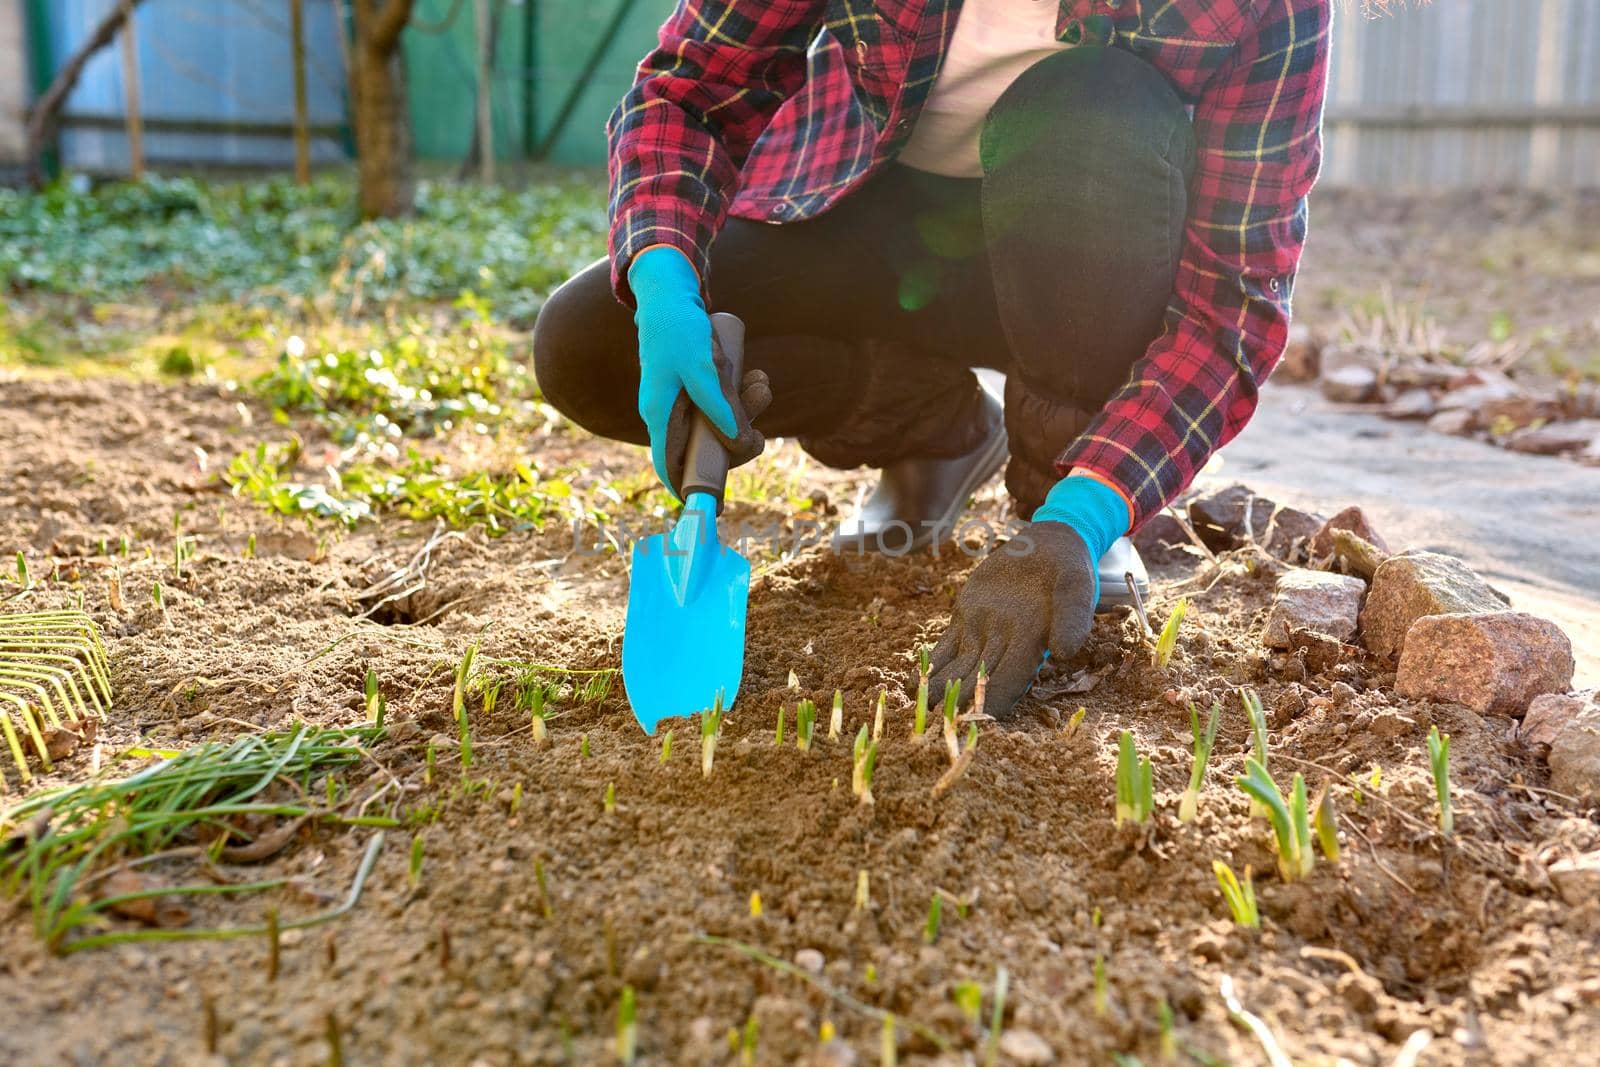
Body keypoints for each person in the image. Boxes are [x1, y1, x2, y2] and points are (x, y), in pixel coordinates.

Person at [532, 0, 1332, 717]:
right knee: (586, 347)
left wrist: (1080, 515)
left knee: (1093, 107)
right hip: (870, 223)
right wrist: (667, 283)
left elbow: (1233, 303)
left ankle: (1064, 480)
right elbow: (693, 88)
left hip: (1083, 246)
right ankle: (934, 429)